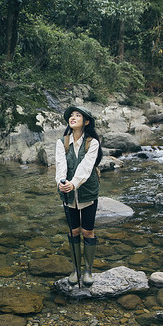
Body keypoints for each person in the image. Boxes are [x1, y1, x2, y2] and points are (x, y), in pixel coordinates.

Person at [55, 106, 102, 286]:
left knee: (87, 231)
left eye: (78, 115)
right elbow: (60, 165)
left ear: (86, 121)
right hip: (68, 193)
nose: (73, 118)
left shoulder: (93, 142)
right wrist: (61, 181)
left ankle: (88, 270)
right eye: (71, 116)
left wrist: (74, 183)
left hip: (88, 191)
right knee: (73, 230)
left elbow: (87, 166)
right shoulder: (62, 142)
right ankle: (76, 270)